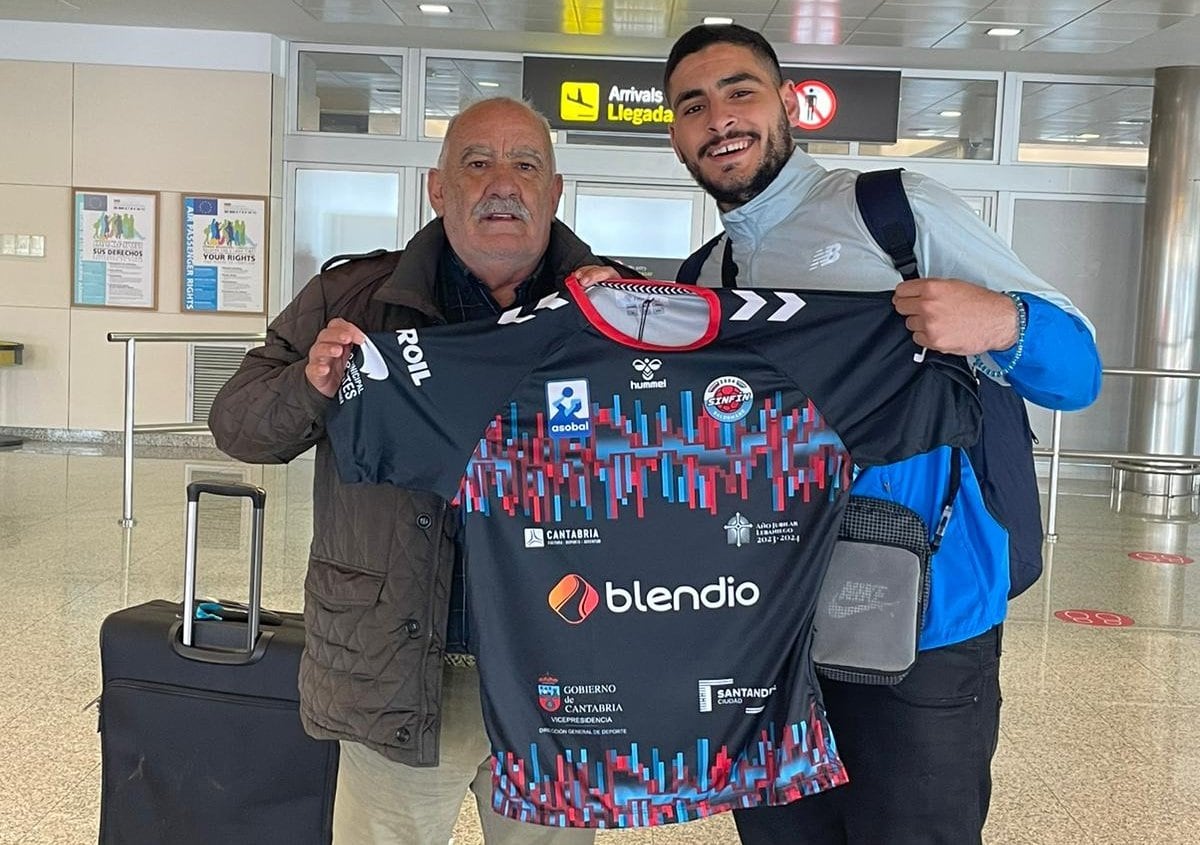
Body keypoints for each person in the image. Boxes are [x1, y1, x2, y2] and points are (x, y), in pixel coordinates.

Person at [657, 23, 1101, 845]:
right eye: (693, 105)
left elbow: (1079, 372)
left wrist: (1002, 321)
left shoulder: (894, 214)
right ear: (677, 135)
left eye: (739, 91)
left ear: (787, 102)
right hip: (771, 641)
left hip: (926, 630)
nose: (719, 118)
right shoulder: (701, 277)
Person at [209, 97, 624, 845]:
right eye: (477, 162)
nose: (503, 182)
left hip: (558, 678)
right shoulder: (354, 299)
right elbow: (237, 424)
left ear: (554, 191)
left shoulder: (620, 309)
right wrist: (312, 382)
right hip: (395, 672)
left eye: (526, 164)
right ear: (438, 188)